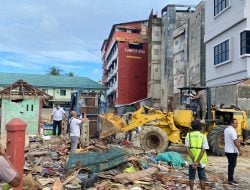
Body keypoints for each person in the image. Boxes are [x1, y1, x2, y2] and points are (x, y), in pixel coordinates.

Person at [185, 120, 209, 190]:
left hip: (191, 160)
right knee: (202, 178)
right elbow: (203, 150)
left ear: (192, 127)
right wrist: (197, 161)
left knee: (191, 177)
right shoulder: (203, 136)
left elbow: (187, 149)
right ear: (200, 127)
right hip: (201, 160)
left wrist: (194, 161)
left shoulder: (188, 135)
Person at [224, 119, 241, 185]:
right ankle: (230, 180)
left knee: (231, 165)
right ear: (231, 123)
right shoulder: (232, 130)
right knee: (232, 165)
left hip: (227, 150)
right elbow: (235, 140)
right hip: (232, 151)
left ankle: (230, 178)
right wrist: (239, 149)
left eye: (237, 123)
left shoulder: (226, 129)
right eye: (235, 123)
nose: (237, 124)